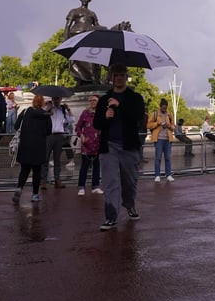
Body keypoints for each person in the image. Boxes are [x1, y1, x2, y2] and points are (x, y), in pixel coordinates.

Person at [93, 63, 145, 231]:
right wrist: (105, 117)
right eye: (117, 75)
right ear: (112, 77)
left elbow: (137, 117)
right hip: (109, 147)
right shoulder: (103, 100)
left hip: (129, 146)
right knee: (110, 182)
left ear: (126, 76)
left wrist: (120, 106)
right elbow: (97, 123)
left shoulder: (135, 97)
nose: (120, 78)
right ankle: (111, 216)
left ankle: (129, 204)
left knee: (129, 182)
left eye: (122, 74)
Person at [12, 94, 52, 204]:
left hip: (25, 145)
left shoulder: (25, 112)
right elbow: (49, 131)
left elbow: (16, 126)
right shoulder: (45, 115)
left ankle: (19, 188)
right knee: (36, 171)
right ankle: (34, 195)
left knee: (24, 170)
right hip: (39, 146)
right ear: (43, 103)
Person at [42, 96, 75, 189]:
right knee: (45, 158)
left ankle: (57, 180)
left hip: (59, 135)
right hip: (49, 135)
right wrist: (47, 109)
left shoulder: (63, 109)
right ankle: (43, 180)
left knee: (57, 159)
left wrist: (68, 109)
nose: (56, 100)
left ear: (60, 99)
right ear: (52, 99)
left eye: (58, 99)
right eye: (55, 99)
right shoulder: (47, 108)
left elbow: (72, 120)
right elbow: (41, 117)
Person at [75, 94, 102, 196]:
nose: (92, 102)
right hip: (86, 143)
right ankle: (81, 186)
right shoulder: (85, 113)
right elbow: (78, 127)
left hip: (98, 143)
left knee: (97, 166)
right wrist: (81, 135)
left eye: (94, 100)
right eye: (91, 100)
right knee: (84, 166)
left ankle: (95, 186)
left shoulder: (101, 113)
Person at [148, 98, 176, 182]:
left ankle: (168, 175)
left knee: (168, 158)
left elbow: (173, 126)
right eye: (163, 108)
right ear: (160, 107)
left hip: (168, 139)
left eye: (166, 108)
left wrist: (169, 126)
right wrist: (157, 123)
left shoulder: (170, 114)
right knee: (158, 158)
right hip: (159, 139)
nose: (164, 109)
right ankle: (157, 175)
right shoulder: (155, 114)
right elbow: (148, 125)